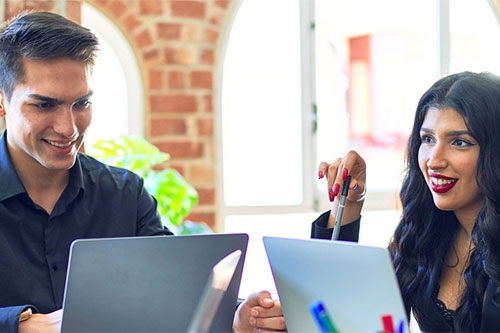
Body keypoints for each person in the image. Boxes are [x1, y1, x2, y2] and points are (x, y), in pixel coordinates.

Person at [0, 11, 283, 333]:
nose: (68, 128)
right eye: (44, 105)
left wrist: (235, 318)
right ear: (2, 102)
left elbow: (176, 288)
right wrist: (24, 325)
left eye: (81, 104)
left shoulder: (124, 194)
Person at [313, 71, 500, 331]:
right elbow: (330, 306)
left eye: (459, 142)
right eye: (428, 139)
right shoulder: (427, 232)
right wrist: (349, 202)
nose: (435, 160)